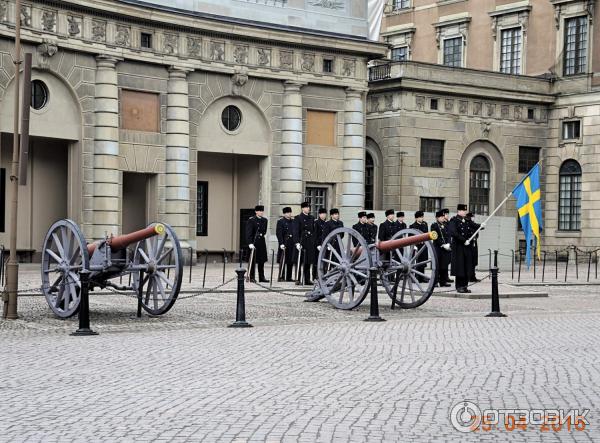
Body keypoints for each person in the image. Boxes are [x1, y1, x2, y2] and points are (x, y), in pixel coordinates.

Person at [447, 204, 473, 293]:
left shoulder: (466, 220)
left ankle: (465, 286)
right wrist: (463, 240)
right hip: (458, 247)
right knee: (460, 267)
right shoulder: (454, 220)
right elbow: (454, 233)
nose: (465, 212)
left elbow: (473, 227)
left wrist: (482, 225)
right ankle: (459, 286)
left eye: (465, 211)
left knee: (466, 266)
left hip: (466, 247)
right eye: (463, 211)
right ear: (459, 211)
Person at [294, 202, 316, 285]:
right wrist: (297, 242)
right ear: (302, 208)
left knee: (308, 261)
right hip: (301, 240)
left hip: (309, 242)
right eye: (306, 207)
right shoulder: (298, 218)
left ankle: (307, 279)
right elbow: (295, 231)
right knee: (299, 261)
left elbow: (313, 230)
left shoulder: (312, 218)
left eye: (309, 207)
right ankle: (298, 278)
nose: (308, 209)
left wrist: (313, 241)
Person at [246, 205, 269, 283]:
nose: (261, 212)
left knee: (261, 261)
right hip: (254, 242)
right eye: (259, 211)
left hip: (261, 242)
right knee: (252, 261)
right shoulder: (251, 220)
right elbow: (248, 233)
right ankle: (251, 277)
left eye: (262, 211)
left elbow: (264, 231)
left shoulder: (265, 220)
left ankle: (261, 277)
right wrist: (250, 243)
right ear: (256, 212)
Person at [430, 210, 451, 287]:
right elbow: (435, 237)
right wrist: (442, 244)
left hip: (446, 248)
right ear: (437, 218)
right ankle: (435, 281)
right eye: (441, 217)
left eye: (443, 216)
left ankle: (443, 281)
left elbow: (449, 235)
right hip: (438, 248)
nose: (443, 218)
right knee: (437, 266)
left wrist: (449, 243)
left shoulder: (446, 225)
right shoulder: (434, 225)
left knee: (444, 265)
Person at [275, 207, 295, 282]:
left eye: (290, 212)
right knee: (283, 260)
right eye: (287, 213)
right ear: (284, 214)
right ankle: (281, 276)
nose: (289, 214)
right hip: (284, 242)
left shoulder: (293, 221)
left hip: (291, 243)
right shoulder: (281, 221)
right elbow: (279, 233)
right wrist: (281, 243)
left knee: (290, 261)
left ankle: (289, 277)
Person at [410, 210, 429, 282]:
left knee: (423, 262)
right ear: (416, 218)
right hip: (417, 246)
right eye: (420, 217)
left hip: (424, 246)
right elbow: (410, 237)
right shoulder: (412, 226)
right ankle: (417, 277)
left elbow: (426, 234)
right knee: (417, 262)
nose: (422, 218)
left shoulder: (425, 224)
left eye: (422, 217)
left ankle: (422, 277)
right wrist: (414, 245)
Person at [466, 212, 483, 283]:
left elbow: (478, 228)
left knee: (474, 262)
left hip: (474, 244)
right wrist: (480, 226)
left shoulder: (473, 224)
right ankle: (469, 277)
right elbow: (476, 226)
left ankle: (473, 276)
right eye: (472, 217)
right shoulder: (468, 223)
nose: (473, 218)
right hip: (469, 245)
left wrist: (481, 226)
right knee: (469, 262)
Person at [313, 208, 328, 279]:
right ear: (319, 214)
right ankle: (315, 276)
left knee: (324, 261)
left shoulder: (327, 223)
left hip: (324, 244)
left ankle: (323, 276)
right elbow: (315, 235)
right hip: (318, 244)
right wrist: (317, 245)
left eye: (325, 214)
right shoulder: (316, 222)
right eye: (322, 214)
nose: (324, 215)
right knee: (316, 262)